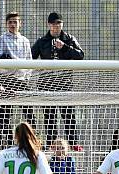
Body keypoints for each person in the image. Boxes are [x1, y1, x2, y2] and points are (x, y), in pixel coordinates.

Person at [31, 12, 85, 150]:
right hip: (46, 84)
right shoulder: (42, 41)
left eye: (58, 23)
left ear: (62, 24)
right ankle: (50, 144)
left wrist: (65, 47)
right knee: (49, 116)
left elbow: (80, 55)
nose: (56, 26)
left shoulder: (69, 39)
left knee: (68, 114)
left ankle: (73, 143)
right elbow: (30, 56)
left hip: (64, 84)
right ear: (49, 25)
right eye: (53, 24)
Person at [0, 12, 35, 159]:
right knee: (3, 116)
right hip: (6, 81)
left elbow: (29, 62)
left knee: (29, 113)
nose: (12, 24)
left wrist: (24, 78)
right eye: (10, 22)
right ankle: (3, 145)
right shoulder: (1, 39)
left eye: (15, 22)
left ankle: (33, 140)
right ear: (7, 24)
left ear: (20, 24)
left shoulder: (25, 41)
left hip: (20, 81)